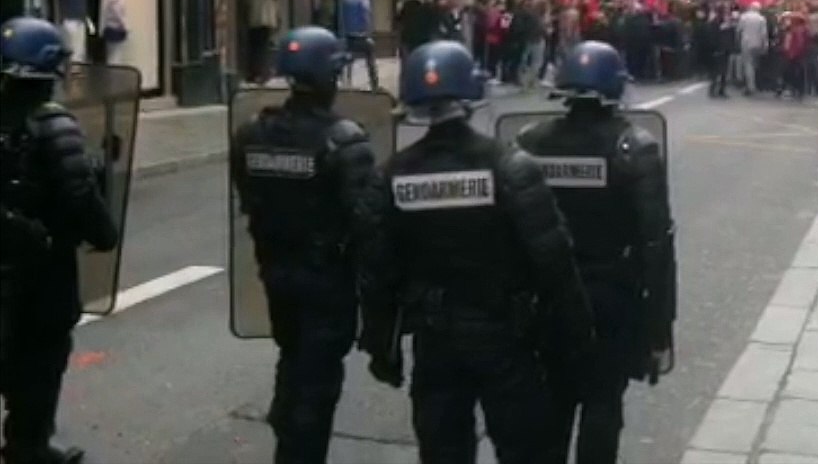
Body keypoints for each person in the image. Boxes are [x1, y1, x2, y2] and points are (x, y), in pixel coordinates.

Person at [358, 40, 594, 463]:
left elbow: (377, 269)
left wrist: (381, 345)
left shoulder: (392, 175)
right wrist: (577, 340)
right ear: (471, 97)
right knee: (525, 449)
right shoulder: (509, 165)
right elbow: (554, 261)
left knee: (443, 450)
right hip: (505, 339)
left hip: (435, 342)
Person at [515, 41, 677, 464]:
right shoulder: (633, 148)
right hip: (612, 300)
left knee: (552, 406)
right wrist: (659, 329)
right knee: (603, 406)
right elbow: (656, 245)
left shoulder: (530, 143)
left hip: (548, 297)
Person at [229, 26, 379, 464]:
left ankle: (286, 439)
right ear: (329, 79)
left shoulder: (252, 134)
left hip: (275, 274)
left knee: (293, 359)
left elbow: (250, 200)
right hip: (327, 283)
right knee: (317, 386)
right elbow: (368, 225)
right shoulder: (345, 140)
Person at [0, 17, 118, 464]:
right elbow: (79, 196)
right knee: (40, 361)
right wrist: (104, 233)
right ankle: (27, 445)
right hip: (42, 270)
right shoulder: (54, 124)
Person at [340, 0, 379, 90]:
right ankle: (374, 82)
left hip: (349, 37)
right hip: (361, 37)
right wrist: (368, 33)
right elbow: (366, 17)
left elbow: (343, 18)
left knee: (348, 57)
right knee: (370, 55)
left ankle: (346, 80)